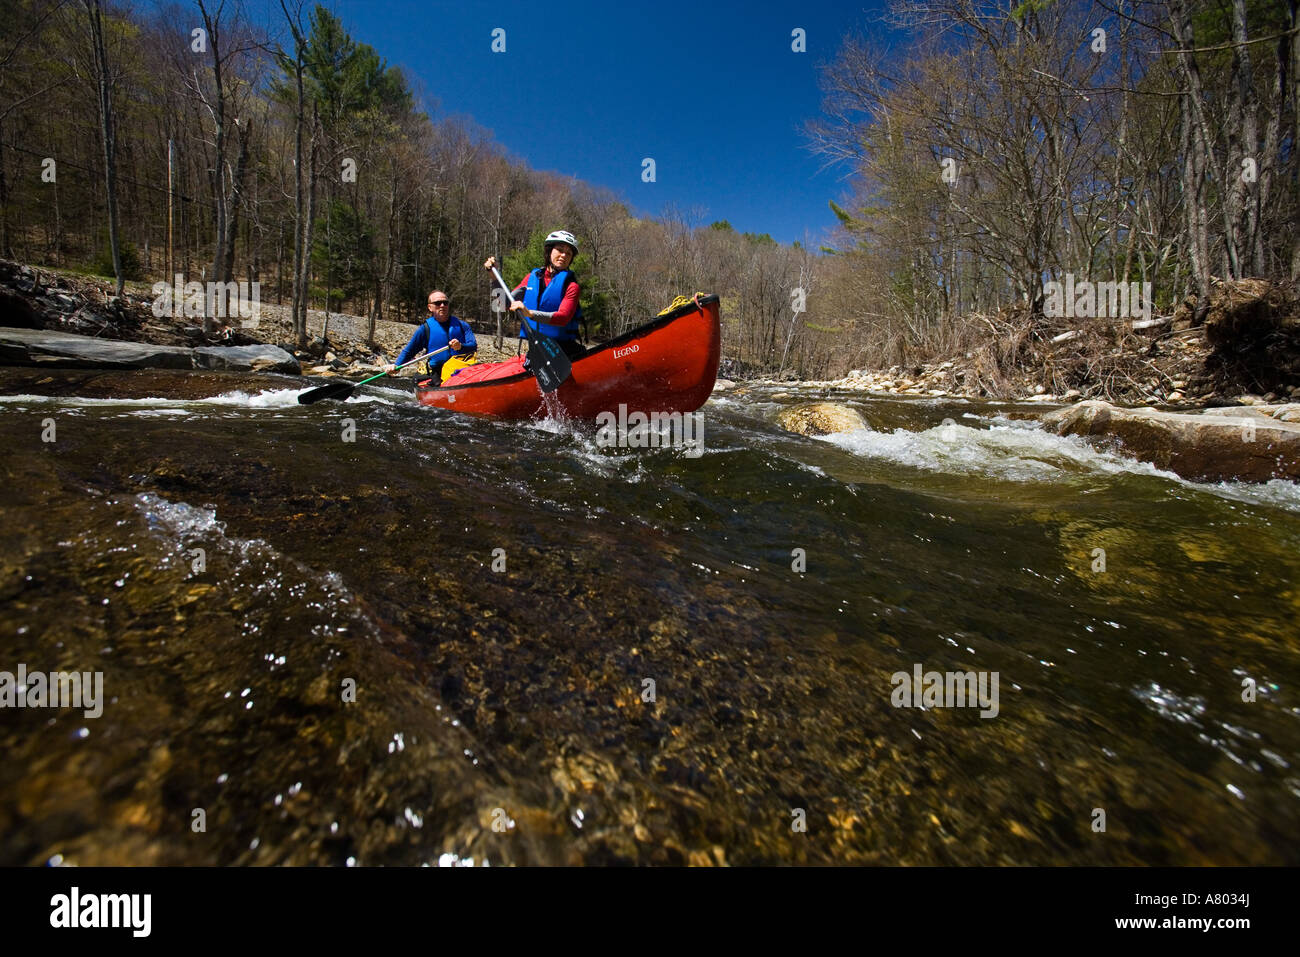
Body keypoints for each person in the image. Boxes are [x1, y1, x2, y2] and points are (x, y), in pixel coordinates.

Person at [483, 229, 585, 360]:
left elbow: (563, 318)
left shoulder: (571, 286)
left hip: (564, 350)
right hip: (537, 347)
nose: (564, 255)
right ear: (549, 252)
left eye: (569, 253)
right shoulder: (531, 278)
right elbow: (501, 304)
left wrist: (530, 313)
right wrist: (494, 277)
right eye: (560, 250)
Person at [384, 290, 476, 381]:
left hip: (461, 368)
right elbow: (409, 351)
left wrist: (460, 346)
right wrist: (396, 365)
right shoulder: (424, 329)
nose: (442, 305)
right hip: (438, 371)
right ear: (430, 307)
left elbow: (473, 346)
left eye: (445, 303)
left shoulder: (463, 326)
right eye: (438, 303)